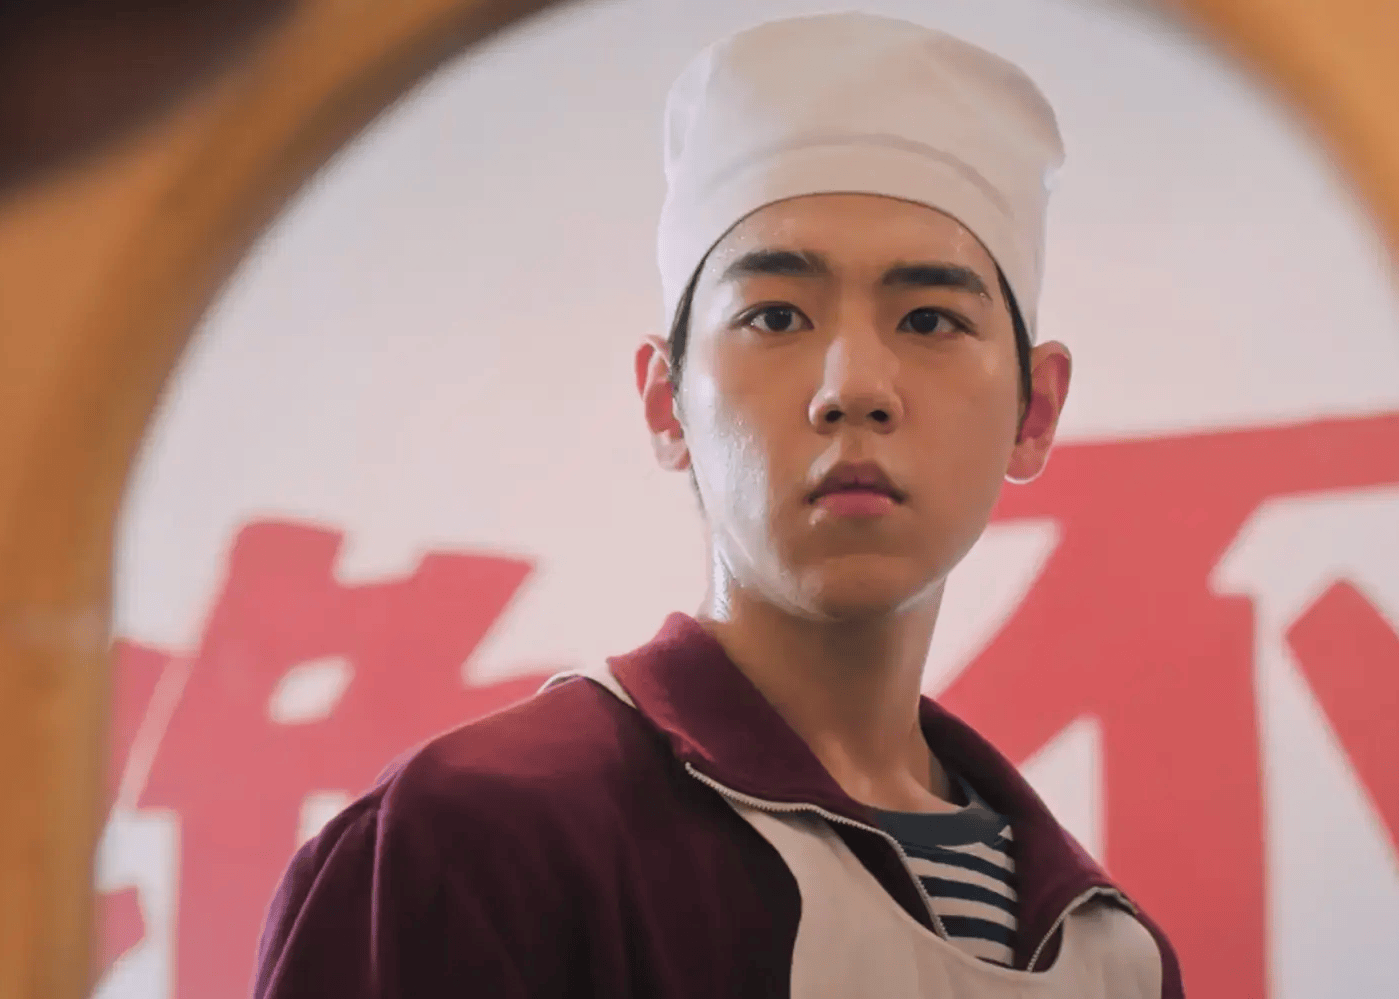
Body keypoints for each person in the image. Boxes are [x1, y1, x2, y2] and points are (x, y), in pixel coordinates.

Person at [253, 12, 1184, 998]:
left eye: (929, 318)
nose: (853, 387)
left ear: (1034, 412)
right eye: (775, 316)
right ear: (667, 402)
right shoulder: (476, 841)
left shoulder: (1109, 955)